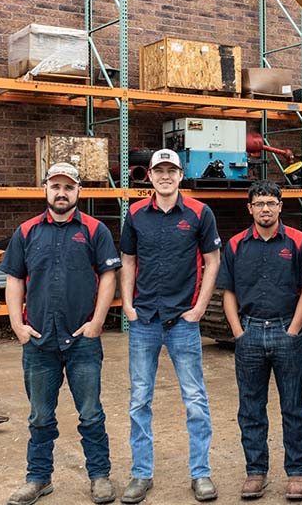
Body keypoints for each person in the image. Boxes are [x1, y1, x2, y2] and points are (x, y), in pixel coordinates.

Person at [1, 162, 121, 505]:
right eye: (56, 186)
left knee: (91, 413)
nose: (62, 193)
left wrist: (97, 322)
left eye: (68, 187)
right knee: (40, 415)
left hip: (82, 339)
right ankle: (38, 478)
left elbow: (109, 277)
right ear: (45, 190)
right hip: (39, 340)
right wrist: (16, 325)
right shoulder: (26, 232)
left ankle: (99, 476)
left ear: (78, 192)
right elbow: (14, 279)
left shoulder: (96, 230)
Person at [118, 149, 223, 504]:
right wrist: (128, 305)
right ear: (149, 175)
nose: (165, 176)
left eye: (171, 170)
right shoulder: (134, 214)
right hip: (145, 319)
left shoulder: (198, 213)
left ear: (181, 175)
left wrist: (199, 309)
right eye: (159, 170)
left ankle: (201, 474)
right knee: (139, 400)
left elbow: (213, 261)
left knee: (195, 399)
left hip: (182, 321)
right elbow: (128, 261)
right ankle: (141, 474)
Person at [217, 180, 302, 501]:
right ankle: (255, 471)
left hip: (287, 331)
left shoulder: (299, 242)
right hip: (250, 333)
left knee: (293, 407)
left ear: (281, 206)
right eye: (259, 204)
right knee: (251, 408)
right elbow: (228, 292)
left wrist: (295, 329)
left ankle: (297, 473)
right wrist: (238, 333)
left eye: (271, 203)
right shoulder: (235, 245)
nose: (266, 209)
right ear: (250, 208)